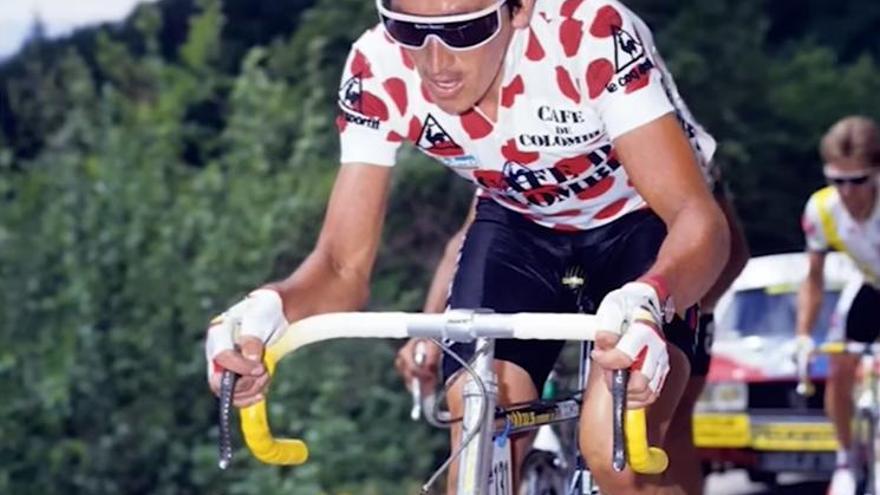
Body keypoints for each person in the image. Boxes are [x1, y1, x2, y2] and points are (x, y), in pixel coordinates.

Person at [205, 0, 730, 493]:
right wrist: (268, 309)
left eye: (465, 29)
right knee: (476, 412)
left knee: (613, 447)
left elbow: (697, 217)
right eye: (408, 29)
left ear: (518, 10)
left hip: (643, 219)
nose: (436, 62)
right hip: (522, 227)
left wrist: (652, 296)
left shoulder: (587, 33)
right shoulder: (377, 67)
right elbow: (342, 265)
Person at [401, 144, 748, 495]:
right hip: (538, 266)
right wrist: (430, 326)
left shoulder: (666, 137)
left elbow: (723, 243)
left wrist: (691, 308)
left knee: (658, 433)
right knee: (483, 435)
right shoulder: (503, 151)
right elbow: (467, 239)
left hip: (647, 263)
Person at [796, 116, 880, 495]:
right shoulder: (822, 209)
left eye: (858, 180)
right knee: (839, 362)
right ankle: (845, 458)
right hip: (871, 286)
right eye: (837, 180)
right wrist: (802, 335)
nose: (847, 191)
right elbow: (813, 279)